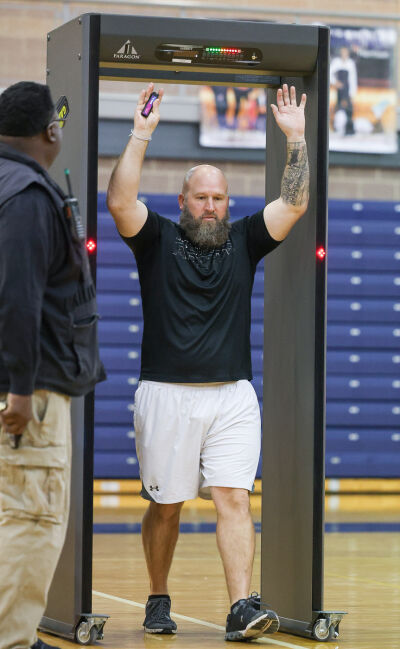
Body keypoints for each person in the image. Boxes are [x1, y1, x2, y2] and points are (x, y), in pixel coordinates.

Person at [107, 81, 309, 642]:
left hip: (232, 397)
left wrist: (296, 140)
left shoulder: (245, 240)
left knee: (233, 498)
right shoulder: (158, 239)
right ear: (183, 201)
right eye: (202, 197)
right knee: (167, 507)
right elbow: (121, 201)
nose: (212, 206)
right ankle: (157, 596)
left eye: (219, 197)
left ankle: (241, 606)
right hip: (166, 394)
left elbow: (293, 203)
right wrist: (141, 133)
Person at [0, 82, 105, 649]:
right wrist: (20, 390)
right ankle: (12, 638)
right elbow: (19, 297)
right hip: (29, 393)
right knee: (32, 517)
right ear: (50, 131)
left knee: (9, 511)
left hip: (16, 381)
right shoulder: (29, 195)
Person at [330, 46, 358, 136]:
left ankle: (349, 129)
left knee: (348, 108)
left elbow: (353, 79)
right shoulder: (336, 62)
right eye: (342, 52)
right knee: (339, 106)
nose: (344, 54)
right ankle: (336, 127)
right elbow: (329, 73)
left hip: (347, 88)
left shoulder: (350, 63)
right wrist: (335, 82)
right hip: (340, 89)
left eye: (345, 52)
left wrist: (352, 92)